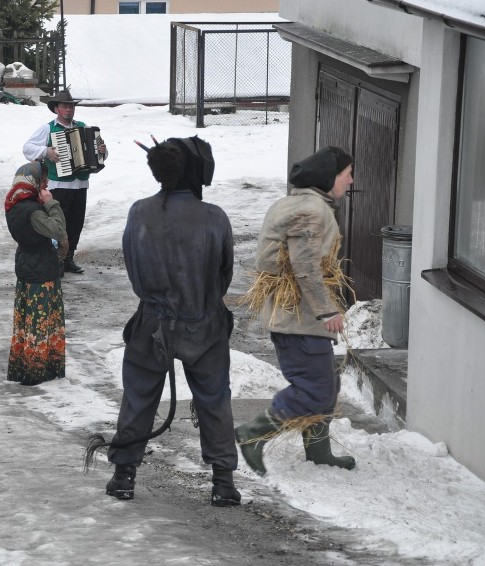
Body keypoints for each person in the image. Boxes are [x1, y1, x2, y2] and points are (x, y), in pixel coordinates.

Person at [100, 136, 242, 507]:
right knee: (213, 400)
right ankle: (223, 483)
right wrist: (199, 300)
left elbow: (133, 270)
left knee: (139, 397)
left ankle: (124, 476)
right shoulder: (215, 217)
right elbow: (223, 276)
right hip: (205, 325)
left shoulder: (139, 213)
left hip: (152, 325)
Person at [234, 146, 357, 475]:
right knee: (314, 389)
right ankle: (252, 433)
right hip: (299, 319)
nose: (351, 180)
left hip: (297, 317)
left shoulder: (294, 203)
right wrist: (325, 311)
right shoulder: (311, 211)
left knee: (326, 383)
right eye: (347, 174)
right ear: (331, 177)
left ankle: (319, 451)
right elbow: (305, 267)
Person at [22, 89, 106, 276]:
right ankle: (56, 259)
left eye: (71, 106)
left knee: (76, 223)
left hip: (81, 184)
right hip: (58, 185)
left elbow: (100, 156)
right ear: (56, 109)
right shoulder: (48, 128)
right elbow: (27, 148)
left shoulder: (84, 127)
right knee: (59, 223)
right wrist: (46, 152)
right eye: (65, 106)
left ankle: (69, 258)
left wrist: (101, 150)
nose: (69, 109)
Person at [4, 161, 67, 386]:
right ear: (34, 182)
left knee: (27, 321)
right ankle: (36, 370)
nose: (47, 183)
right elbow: (58, 230)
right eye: (43, 180)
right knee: (40, 322)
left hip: (25, 265)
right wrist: (51, 204)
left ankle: (24, 366)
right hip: (41, 269)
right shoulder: (32, 211)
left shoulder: (13, 204)